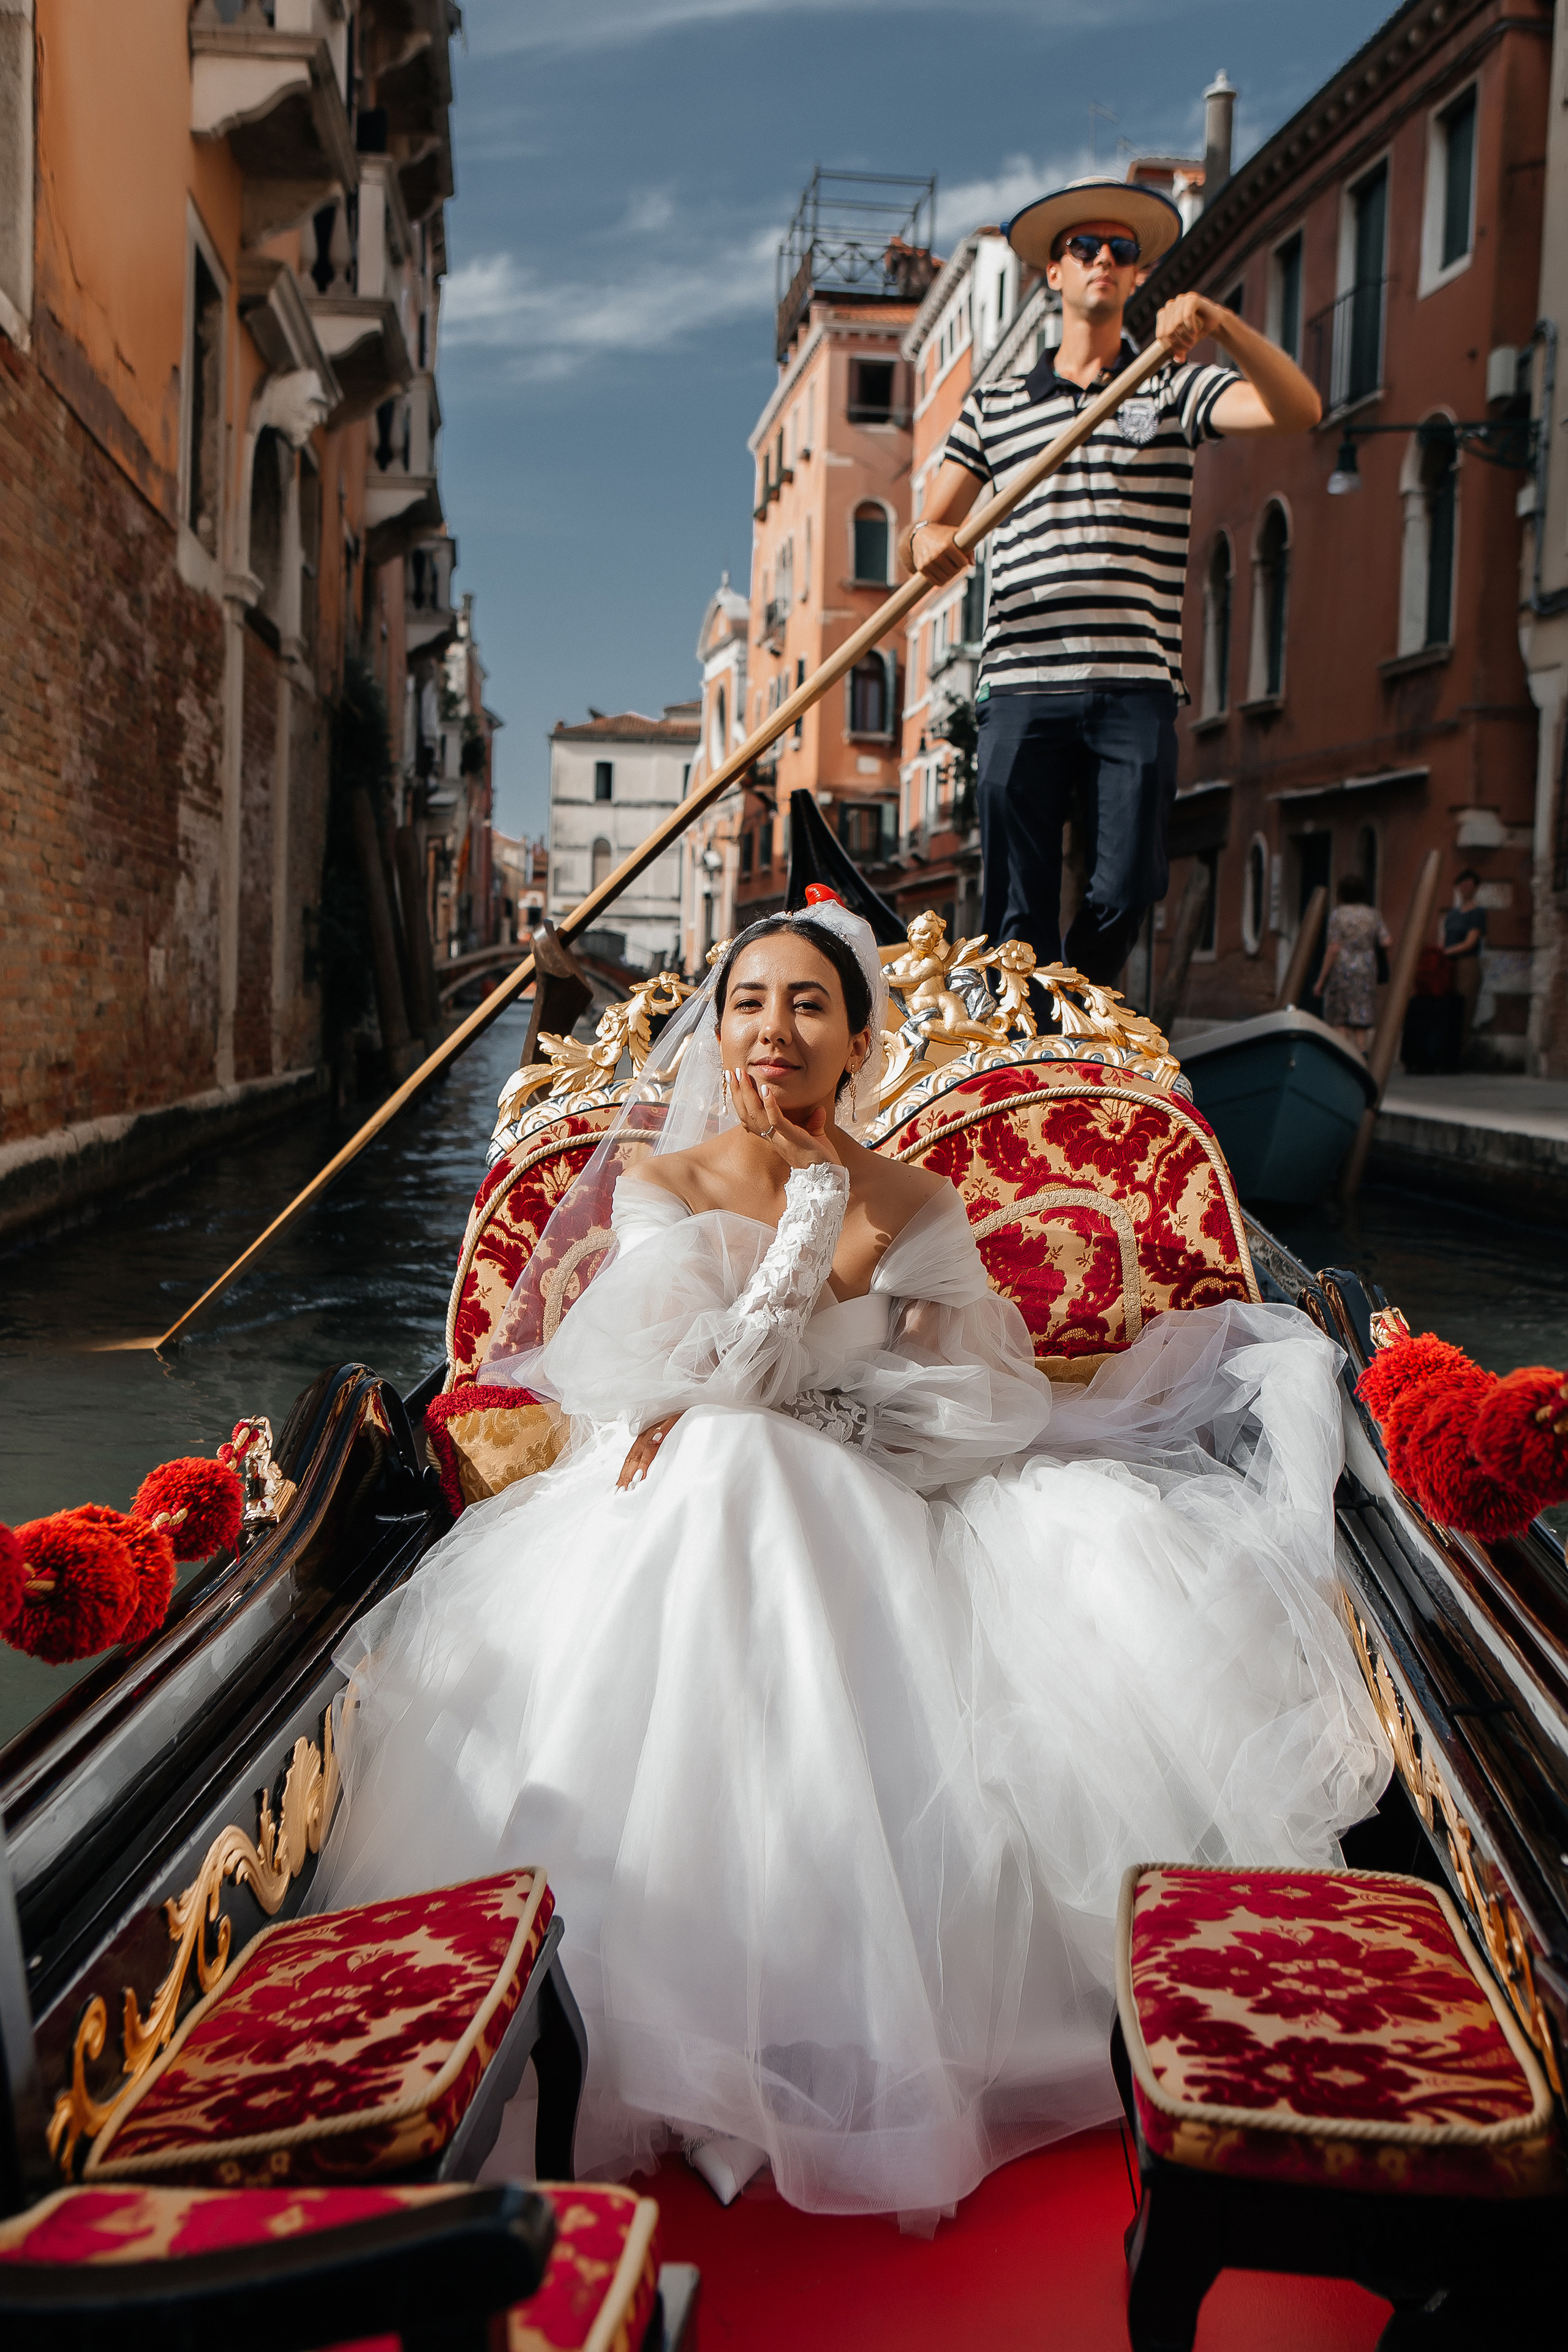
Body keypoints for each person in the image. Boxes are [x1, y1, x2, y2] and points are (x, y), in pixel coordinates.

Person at [314, 897, 1388, 2223]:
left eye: (808, 1004)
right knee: (724, 1461)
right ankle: (666, 2023)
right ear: (720, 1026)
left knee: (749, 1462)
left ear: (855, 1041)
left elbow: (982, 1400)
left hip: (868, 1500)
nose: (773, 1028)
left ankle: (805, 2021)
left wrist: (847, 1371)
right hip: (685, 1494)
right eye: (750, 1000)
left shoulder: (918, 1200)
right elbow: (707, 1378)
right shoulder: (666, 1187)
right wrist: (816, 1214)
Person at [907, 177, 1321, 992]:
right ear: (1053, 276)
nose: (1102, 259)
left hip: (1134, 680)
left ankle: (1067, 1008)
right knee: (1014, 909)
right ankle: (1017, 1032)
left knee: (1129, 884)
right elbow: (931, 525)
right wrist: (927, 540)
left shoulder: (1171, 387)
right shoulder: (993, 405)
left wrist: (1223, 323)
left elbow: (1298, 407)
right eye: (1083, 249)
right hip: (1021, 680)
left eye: (1121, 251)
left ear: (1137, 278)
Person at [1314, 873, 1390, 1055]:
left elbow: (1333, 948)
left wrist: (1321, 980)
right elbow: (1387, 941)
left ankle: (1344, 1050)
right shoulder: (1373, 914)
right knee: (1361, 1012)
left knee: (1341, 1015)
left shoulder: (1338, 915)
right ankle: (1362, 1048)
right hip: (1367, 967)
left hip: (1343, 967)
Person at [1439, 868, 1487, 1054]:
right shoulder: (1452, 914)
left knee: (1465, 1010)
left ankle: (1459, 1053)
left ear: (1476, 888)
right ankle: (1445, 1051)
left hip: (1467, 964)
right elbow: (1444, 938)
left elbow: (1470, 942)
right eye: (1463, 884)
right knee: (1448, 1008)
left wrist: (1446, 951)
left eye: (1469, 884)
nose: (1465, 887)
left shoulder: (1478, 913)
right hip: (1449, 964)